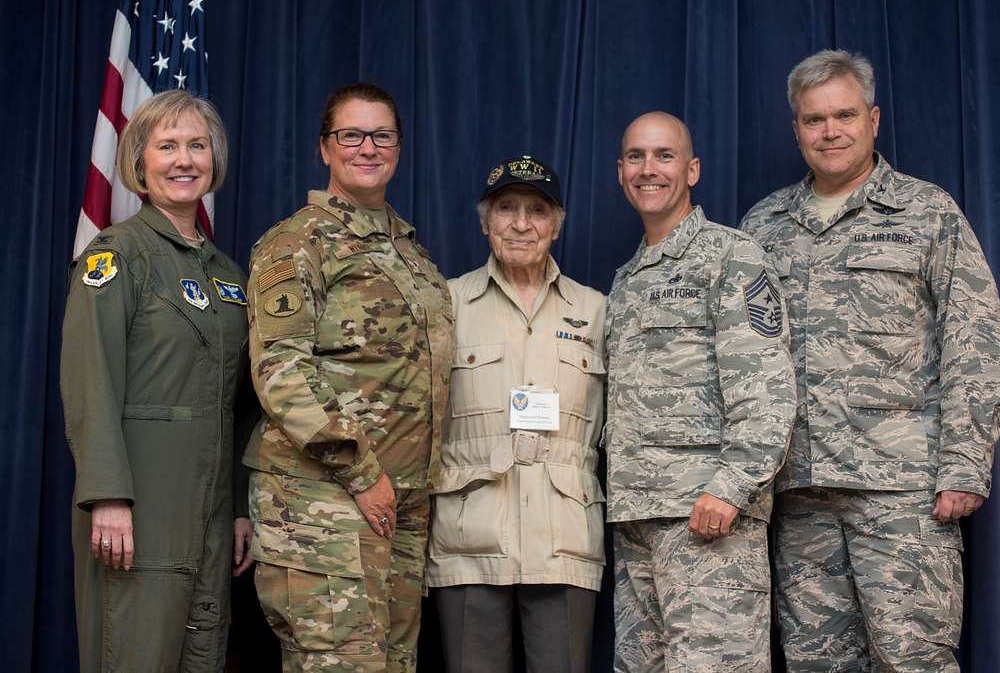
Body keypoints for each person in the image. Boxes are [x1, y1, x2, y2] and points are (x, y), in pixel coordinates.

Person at [740, 49, 1000, 671]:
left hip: (903, 490)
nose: (830, 131)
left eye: (844, 115)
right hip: (798, 492)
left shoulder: (927, 213)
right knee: (817, 664)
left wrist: (964, 465)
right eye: (814, 120)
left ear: (874, 119)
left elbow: (977, 340)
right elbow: (743, 360)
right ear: (796, 130)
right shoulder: (763, 226)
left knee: (912, 659)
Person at [244, 83, 454, 672]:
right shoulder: (298, 242)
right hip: (323, 505)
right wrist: (362, 473)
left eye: (381, 135)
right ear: (324, 148)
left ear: (399, 147)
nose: (368, 147)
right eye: (351, 135)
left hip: (399, 506)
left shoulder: (408, 250)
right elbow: (280, 371)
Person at [61, 90, 258, 672]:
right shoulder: (117, 255)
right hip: (137, 512)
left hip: (212, 516)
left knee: (204, 656)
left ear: (214, 160)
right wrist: (107, 495)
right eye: (167, 146)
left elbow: (242, 403)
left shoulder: (228, 275)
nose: (184, 160)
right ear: (138, 162)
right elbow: (89, 377)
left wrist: (241, 507)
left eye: (197, 145)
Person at [605, 112, 796, 672]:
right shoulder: (627, 278)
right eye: (636, 157)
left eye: (664, 156)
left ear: (692, 170)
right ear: (620, 172)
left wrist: (733, 487)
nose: (648, 170)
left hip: (708, 518)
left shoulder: (731, 256)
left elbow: (766, 387)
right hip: (639, 516)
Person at [427, 156, 607, 673]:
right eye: (506, 208)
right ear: (485, 221)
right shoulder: (446, 302)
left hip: (563, 541)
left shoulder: (597, 310)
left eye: (537, 210)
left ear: (557, 224)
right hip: (469, 541)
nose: (521, 224)